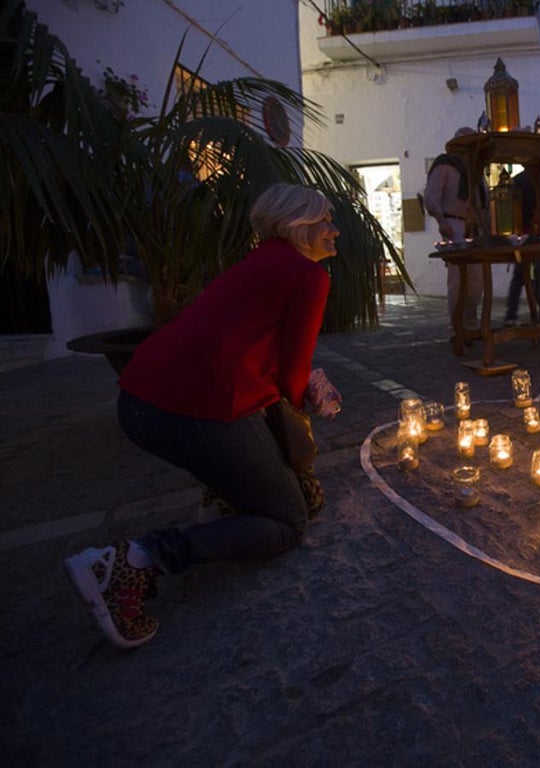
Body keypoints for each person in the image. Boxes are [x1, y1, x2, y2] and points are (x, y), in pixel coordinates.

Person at [63, 184, 340, 649]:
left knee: (275, 462)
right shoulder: (306, 275)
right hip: (196, 410)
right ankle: (132, 563)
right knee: (287, 522)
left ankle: (227, 490)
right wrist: (311, 394)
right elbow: (292, 374)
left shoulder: (259, 261)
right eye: (326, 221)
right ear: (300, 226)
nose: (335, 231)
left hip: (140, 400)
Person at [425, 127, 483, 330]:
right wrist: (442, 221)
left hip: (475, 228)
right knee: (458, 279)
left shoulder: (475, 170)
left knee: (477, 280)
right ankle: (457, 325)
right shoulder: (444, 165)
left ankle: (470, 321)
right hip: (455, 225)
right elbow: (431, 197)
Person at [504, 163, 540, 326]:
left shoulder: (520, 181)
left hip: (531, 232)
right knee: (536, 275)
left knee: (530, 275)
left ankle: (514, 314)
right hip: (535, 232)